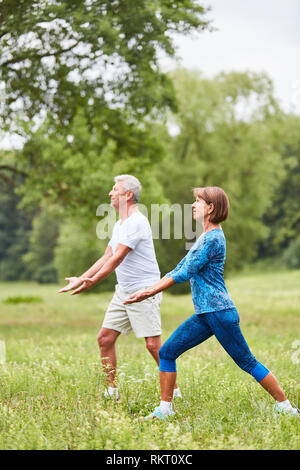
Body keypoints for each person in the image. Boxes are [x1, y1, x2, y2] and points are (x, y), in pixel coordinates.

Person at [124, 186, 299, 419]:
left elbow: (185, 272)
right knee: (167, 352)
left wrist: (148, 293)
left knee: (246, 361)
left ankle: (286, 408)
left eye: (198, 201)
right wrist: (149, 289)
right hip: (206, 314)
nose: (194, 205)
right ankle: (165, 410)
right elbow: (179, 267)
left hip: (219, 311)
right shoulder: (205, 237)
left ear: (211, 208)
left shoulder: (213, 238)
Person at [58, 174, 181, 400]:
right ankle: (111, 391)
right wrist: (81, 278)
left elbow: (118, 258)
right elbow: (107, 255)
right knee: (104, 338)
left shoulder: (137, 222)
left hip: (144, 291)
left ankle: (174, 390)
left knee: (153, 345)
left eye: (115, 189)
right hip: (123, 291)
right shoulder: (119, 224)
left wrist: (92, 283)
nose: (110, 193)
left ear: (128, 195)